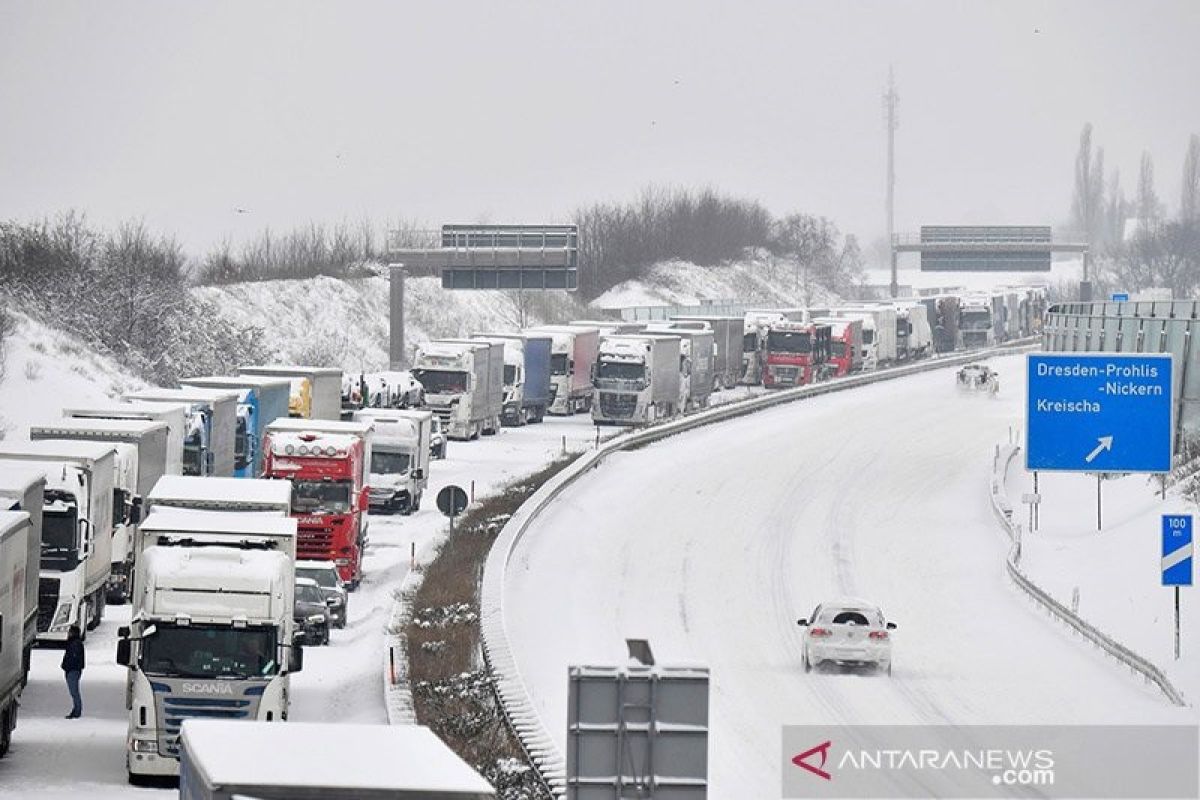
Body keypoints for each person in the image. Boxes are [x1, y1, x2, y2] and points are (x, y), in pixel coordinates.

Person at [62, 625, 85, 719]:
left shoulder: (74, 644)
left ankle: (77, 711)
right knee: (74, 692)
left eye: (70, 632)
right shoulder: (74, 643)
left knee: (74, 692)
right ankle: (76, 710)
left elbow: (73, 657)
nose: (68, 634)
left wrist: (67, 666)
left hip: (73, 670)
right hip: (73, 670)